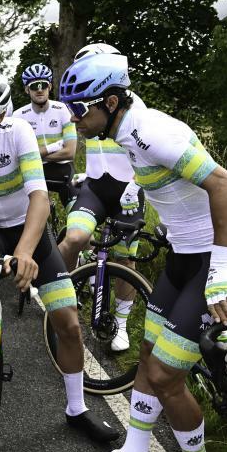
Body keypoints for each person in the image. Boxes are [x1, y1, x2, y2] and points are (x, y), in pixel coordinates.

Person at [65, 50, 227, 452]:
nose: (74, 119)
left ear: (110, 102)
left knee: (165, 375)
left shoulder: (149, 132)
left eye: (80, 110)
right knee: (147, 353)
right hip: (181, 258)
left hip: (216, 262)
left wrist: (220, 271)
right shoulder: (125, 126)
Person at [0, 65, 120, 445]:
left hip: (28, 228)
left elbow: (40, 199)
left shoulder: (18, 132)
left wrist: (24, 251)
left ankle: (76, 410)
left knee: (68, 323)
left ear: (0, 117)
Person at [58, 44, 148, 352]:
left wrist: (136, 186)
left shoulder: (134, 109)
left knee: (125, 257)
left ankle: (121, 324)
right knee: (74, 239)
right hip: (96, 186)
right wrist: (85, 172)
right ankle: (60, 296)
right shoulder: (90, 105)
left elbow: (147, 157)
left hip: (128, 191)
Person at [12, 63, 77, 206]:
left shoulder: (62, 109)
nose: (40, 90)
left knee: (75, 207)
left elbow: (70, 152)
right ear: (27, 90)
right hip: (34, 169)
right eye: (35, 86)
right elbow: (16, 155)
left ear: (50, 87)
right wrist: (52, 148)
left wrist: (34, 154)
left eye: (43, 85)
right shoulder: (18, 116)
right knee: (33, 208)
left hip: (62, 167)